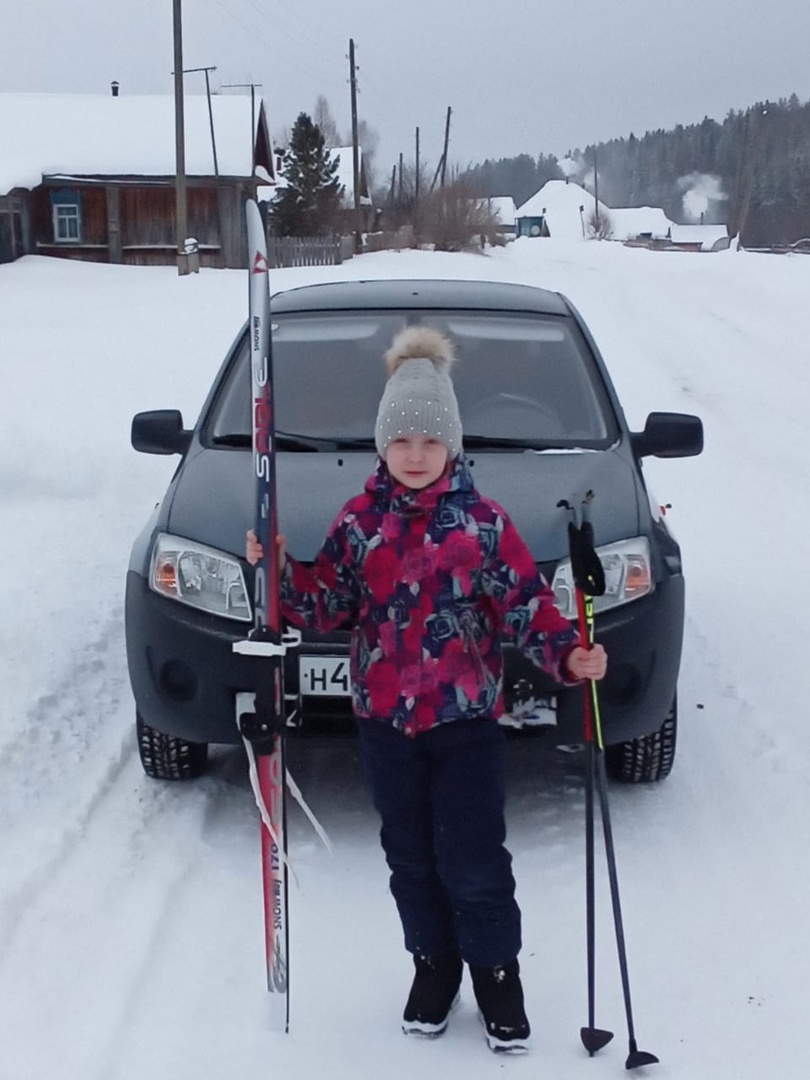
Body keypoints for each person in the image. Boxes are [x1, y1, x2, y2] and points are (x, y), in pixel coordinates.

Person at [246, 326, 607, 1053]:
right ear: (383, 445)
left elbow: (526, 605)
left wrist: (570, 656)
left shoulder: (482, 525)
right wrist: (282, 574)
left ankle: (496, 972)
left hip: (465, 724)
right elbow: (324, 608)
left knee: (472, 857)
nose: (416, 455)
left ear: (453, 446)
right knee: (409, 857)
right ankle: (433, 965)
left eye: (430, 441)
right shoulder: (359, 524)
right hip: (385, 724)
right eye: (402, 441)